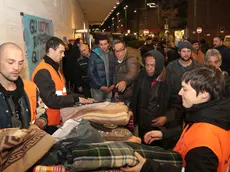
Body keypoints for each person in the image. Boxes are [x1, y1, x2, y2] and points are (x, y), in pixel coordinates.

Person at [122, 66, 230, 172]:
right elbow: (193, 132)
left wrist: (148, 167)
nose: (180, 93)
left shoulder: (203, 147)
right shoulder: (212, 116)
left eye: (185, 89)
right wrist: (165, 134)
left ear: (204, 93)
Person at [32, 37, 92, 131]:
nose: (63, 55)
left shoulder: (54, 68)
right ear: (51, 50)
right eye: (61, 52)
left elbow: (64, 91)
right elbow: (51, 100)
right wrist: (76, 98)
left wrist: (82, 98)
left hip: (57, 119)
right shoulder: (43, 71)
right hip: (48, 123)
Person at [0, 42, 47, 129]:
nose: (17, 68)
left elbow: (42, 114)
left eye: (20, 63)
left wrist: (38, 124)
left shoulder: (31, 87)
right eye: (11, 62)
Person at [130, 50, 168, 142]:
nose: (149, 68)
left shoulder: (168, 79)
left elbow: (176, 103)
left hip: (158, 124)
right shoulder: (141, 75)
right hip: (143, 122)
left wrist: (167, 117)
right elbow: (135, 96)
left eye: (152, 65)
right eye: (147, 65)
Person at [88, 35, 116, 101]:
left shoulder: (111, 54)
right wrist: (100, 86)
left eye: (105, 44)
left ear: (108, 44)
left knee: (108, 109)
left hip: (109, 88)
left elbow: (114, 71)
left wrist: (113, 85)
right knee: (98, 109)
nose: (103, 46)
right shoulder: (94, 55)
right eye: (101, 44)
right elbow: (90, 73)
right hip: (97, 90)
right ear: (98, 45)